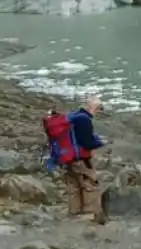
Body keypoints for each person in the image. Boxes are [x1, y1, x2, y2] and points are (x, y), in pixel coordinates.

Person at [42, 95, 108, 224]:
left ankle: (74, 213)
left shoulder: (73, 116)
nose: (99, 111)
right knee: (90, 184)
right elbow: (87, 142)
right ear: (91, 106)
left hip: (66, 158)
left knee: (73, 185)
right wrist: (100, 143)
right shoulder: (84, 120)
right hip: (80, 159)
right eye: (98, 107)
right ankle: (90, 215)